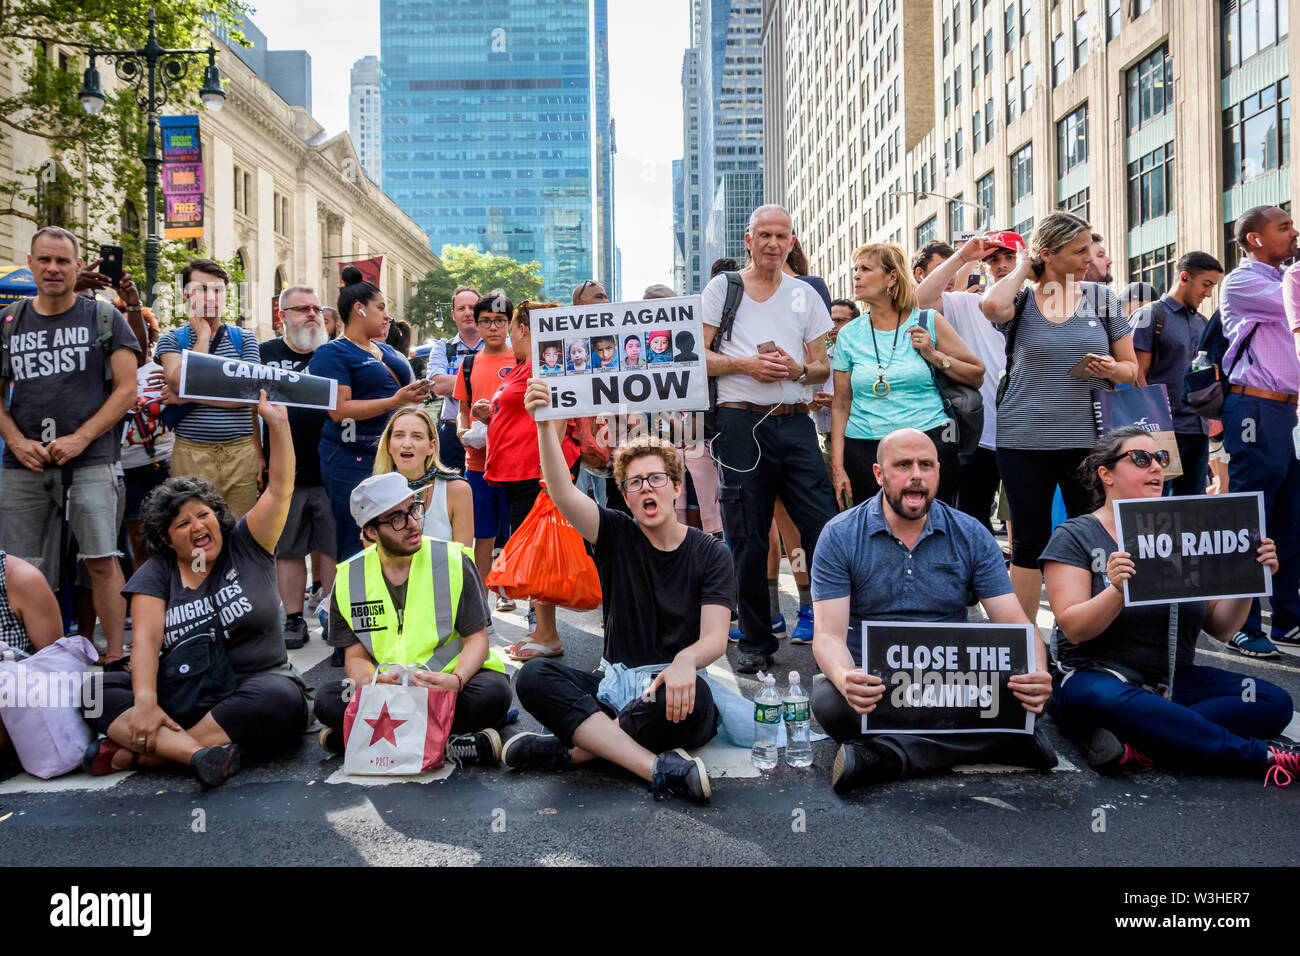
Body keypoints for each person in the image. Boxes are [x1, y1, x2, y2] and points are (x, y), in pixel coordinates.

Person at [507, 385, 731, 803]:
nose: (647, 489)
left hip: (672, 690)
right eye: (635, 483)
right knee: (535, 676)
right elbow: (560, 490)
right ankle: (656, 768)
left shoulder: (711, 553)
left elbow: (715, 638)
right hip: (613, 689)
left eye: (657, 479)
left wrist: (686, 660)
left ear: (676, 487)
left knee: (696, 700)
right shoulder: (613, 532)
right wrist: (543, 423)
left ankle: (574, 751)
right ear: (625, 497)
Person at [1041, 426, 1297, 782]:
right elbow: (1075, 628)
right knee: (1110, 699)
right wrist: (1117, 590)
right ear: (1106, 474)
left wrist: (1250, 580)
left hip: (1171, 680)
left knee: (1272, 702)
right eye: (1141, 459)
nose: (1157, 468)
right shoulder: (1075, 535)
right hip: (1096, 677)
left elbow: (1220, 627)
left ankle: (1146, 737)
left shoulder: (1184, 531)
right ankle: (1260, 758)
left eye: (1161, 459)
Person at [811, 428, 1055, 793]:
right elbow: (828, 636)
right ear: (879, 474)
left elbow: (1018, 625)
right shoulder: (841, 535)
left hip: (956, 685)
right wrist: (846, 677)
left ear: (938, 472)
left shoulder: (971, 533)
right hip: (879, 686)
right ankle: (1003, 743)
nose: (916, 475)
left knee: (1034, 694)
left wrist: (1037, 673)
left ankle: (888, 756)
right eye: (903, 465)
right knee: (829, 702)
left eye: (926, 465)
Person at [84, 390, 307, 786]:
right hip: (183, 692)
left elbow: (280, 488)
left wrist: (279, 425)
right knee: (93, 691)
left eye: (203, 515)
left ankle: (141, 757)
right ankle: (199, 755)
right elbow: (148, 642)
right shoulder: (157, 572)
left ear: (218, 517)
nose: (198, 527)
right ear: (168, 540)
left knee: (283, 701)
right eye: (183, 524)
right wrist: (147, 702)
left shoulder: (247, 544)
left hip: (250, 688)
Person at [980, 212, 1139, 622]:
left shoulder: (1102, 298)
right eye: (1079, 250)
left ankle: (1087, 633)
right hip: (1022, 440)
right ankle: (1025, 643)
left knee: (1090, 536)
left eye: (1090, 247)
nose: (1090, 257)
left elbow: (1131, 369)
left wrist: (1110, 369)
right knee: (1030, 541)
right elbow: (990, 305)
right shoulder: (1020, 298)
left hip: (1089, 442)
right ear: (1048, 254)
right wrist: (1025, 269)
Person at [702, 203, 837, 673]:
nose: (774, 244)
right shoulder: (724, 288)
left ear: (792, 242)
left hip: (796, 421)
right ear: (749, 239)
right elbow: (697, 357)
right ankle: (757, 642)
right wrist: (746, 365)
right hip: (739, 423)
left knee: (825, 529)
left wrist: (802, 370)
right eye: (765, 235)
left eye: (782, 236)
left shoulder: (805, 295)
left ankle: (833, 632)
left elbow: (822, 366)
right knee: (747, 536)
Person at [0, 226, 140, 667]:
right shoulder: (9, 320)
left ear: (78, 266)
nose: (53, 268)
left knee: (101, 560)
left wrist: (81, 438)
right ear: (31, 263)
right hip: (22, 465)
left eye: (62, 261)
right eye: (44, 260)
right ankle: (33, 661)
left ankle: (114, 657)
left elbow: (127, 389)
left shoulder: (102, 317)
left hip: (92, 461)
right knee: (22, 568)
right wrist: (17, 441)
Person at [313, 472, 509, 763]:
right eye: (396, 519)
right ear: (371, 532)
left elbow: (477, 640)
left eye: (414, 509)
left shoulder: (453, 560)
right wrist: (370, 682)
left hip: (447, 685)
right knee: (327, 700)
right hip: (391, 690)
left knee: (494, 693)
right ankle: (453, 745)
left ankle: (362, 737)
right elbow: (354, 656)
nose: (413, 524)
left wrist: (456, 679)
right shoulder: (348, 578)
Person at [830, 241, 984, 508]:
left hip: (927, 444)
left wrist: (935, 356)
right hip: (865, 449)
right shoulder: (848, 334)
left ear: (891, 277)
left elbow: (976, 374)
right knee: (873, 532)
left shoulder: (927, 321)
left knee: (932, 528)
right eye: (855, 269)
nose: (856, 275)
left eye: (865, 269)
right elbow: (841, 403)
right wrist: (837, 464)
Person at [1217, 205, 1300, 656]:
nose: (1294, 233)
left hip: (1290, 414)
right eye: (1283, 227)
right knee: (1251, 517)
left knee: (1290, 518)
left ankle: (1288, 618)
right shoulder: (1245, 281)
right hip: (1256, 407)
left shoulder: (1285, 277)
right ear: (1254, 239)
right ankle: (1244, 625)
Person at [309, 266, 431, 563]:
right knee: (358, 540)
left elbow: (402, 394)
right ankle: (358, 601)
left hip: (393, 456)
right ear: (359, 310)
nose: (386, 315)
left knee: (402, 530)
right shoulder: (332, 354)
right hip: (351, 458)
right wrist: (394, 401)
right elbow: (338, 411)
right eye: (380, 307)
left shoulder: (385, 350)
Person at [482, 301, 580, 660]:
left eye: (511, 329)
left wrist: (547, 474)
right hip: (516, 474)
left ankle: (549, 634)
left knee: (539, 555)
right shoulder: (524, 366)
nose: (508, 335)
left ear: (524, 329)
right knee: (534, 553)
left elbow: (559, 415)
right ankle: (542, 629)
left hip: (533, 475)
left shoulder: (545, 365)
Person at [916, 231, 1025, 536]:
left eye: (1009, 258)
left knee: (1027, 517)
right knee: (973, 520)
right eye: (993, 260)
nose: (1002, 265)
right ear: (984, 266)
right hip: (981, 432)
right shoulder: (966, 303)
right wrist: (963, 256)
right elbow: (919, 300)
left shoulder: (1038, 302)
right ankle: (977, 581)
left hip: (1029, 432)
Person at [156, 258, 263, 520]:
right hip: (191, 452)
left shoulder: (244, 339)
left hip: (240, 452)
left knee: (239, 533)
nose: (211, 297)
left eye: (217, 290)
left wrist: (191, 396)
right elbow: (181, 382)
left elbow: (250, 395)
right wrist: (202, 335)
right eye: (202, 289)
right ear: (185, 294)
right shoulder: (172, 339)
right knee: (196, 530)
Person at [260, 286, 337, 650]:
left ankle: (334, 616)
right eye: (301, 309)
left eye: (316, 309)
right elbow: (249, 409)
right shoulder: (264, 354)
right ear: (282, 316)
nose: (312, 314)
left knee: (334, 546)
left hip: (333, 467)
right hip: (284, 471)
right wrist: (258, 457)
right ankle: (292, 619)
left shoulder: (335, 355)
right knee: (288, 549)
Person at [1130, 252, 1224, 498]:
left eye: (1213, 286)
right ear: (1184, 278)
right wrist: (1155, 425)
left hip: (1198, 429)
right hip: (1161, 430)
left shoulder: (1204, 322)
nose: (1209, 293)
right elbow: (1137, 375)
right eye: (1206, 284)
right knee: (1156, 504)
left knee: (1192, 504)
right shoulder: (1150, 315)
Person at [453, 293, 517, 601]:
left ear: (510, 323)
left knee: (516, 533)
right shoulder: (467, 364)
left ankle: (512, 590)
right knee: (483, 534)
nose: (493, 328)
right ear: (476, 325)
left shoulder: (521, 360)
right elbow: (462, 411)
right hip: (478, 464)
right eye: (486, 322)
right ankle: (480, 601)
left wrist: (492, 418)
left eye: (500, 321)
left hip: (516, 464)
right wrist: (463, 431)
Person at [120, 300, 173, 575]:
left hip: (165, 466)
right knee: (140, 544)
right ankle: (143, 603)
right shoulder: (111, 375)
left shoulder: (163, 371)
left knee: (171, 540)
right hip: (128, 471)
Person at [373, 404, 472, 548]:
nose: (407, 444)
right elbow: (372, 556)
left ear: (431, 446)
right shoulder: (375, 492)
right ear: (389, 445)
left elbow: (464, 560)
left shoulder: (458, 490)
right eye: (399, 435)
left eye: (417, 436)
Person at [426, 285, 481, 475]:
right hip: (451, 436)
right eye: (461, 308)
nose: (467, 313)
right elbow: (438, 385)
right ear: (453, 314)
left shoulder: (504, 344)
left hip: (490, 433)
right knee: (451, 496)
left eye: (472, 307)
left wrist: (456, 382)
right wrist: (485, 379)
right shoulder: (442, 347)